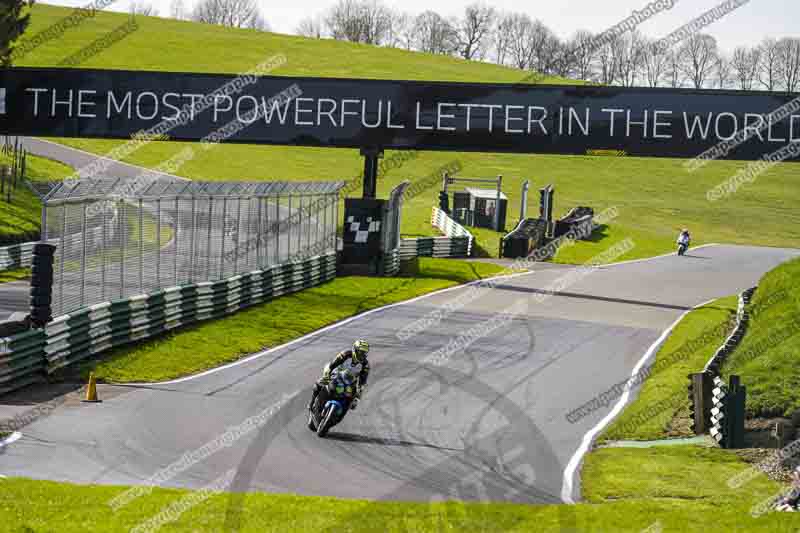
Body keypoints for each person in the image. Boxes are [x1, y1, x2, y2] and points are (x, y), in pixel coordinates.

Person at [308, 339, 371, 412]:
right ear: (355, 350)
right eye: (361, 352)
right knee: (319, 384)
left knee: (352, 402)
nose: (362, 355)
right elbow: (332, 365)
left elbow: (362, 383)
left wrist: (357, 398)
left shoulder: (365, 365)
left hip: (350, 383)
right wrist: (327, 375)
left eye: (364, 353)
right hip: (335, 375)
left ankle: (340, 414)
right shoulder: (345, 354)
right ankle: (311, 403)